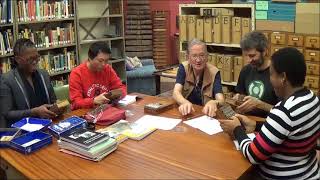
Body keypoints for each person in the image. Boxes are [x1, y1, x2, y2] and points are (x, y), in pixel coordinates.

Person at [219, 47, 319, 180]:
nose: (270, 80)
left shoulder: (284, 111)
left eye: (271, 74)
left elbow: (253, 155)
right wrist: (256, 125)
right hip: (309, 173)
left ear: (283, 77)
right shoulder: (312, 99)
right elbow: (287, 131)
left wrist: (237, 130)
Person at [0, 38, 57, 127]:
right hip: (22, 130)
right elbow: (7, 113)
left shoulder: (43, 74)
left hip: (48, 125)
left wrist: (57, 107)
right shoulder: (6, 80)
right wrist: (33, 112)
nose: (35, 62)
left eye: (37, 58)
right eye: (30, 59)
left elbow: (53, 100)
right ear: (18, 59)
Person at [172, 39, 224, 117]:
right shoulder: (183, 68)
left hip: (205, 115)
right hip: (188, 113)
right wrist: (184, 102)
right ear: (188, 57)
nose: (198, 60)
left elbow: (221, 100)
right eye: (194, 56)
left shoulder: (214, 72)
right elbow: (176, 93)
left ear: (207, 56)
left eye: (202, 55)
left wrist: (214, 102)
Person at [69, 41, 126, 110]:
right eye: (100, 61)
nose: (104, 64)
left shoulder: (107, 69)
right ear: (90, 58)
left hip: (106, 110)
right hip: (87, 113)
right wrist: (94, 101)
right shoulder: (77, 74)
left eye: (106, 61)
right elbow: (76, 103)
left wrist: (117, 94)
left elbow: (121, 88)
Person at [234, 31, 278, 117]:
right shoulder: (246, 70)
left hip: (268, 123)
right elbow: (241, 93)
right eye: (246, 55)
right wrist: (239, 98)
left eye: (252, 56)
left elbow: (283, 112)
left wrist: (260, 105)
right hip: (247, 120)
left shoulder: (277, 74)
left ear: (264, 51)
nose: (248, 60)